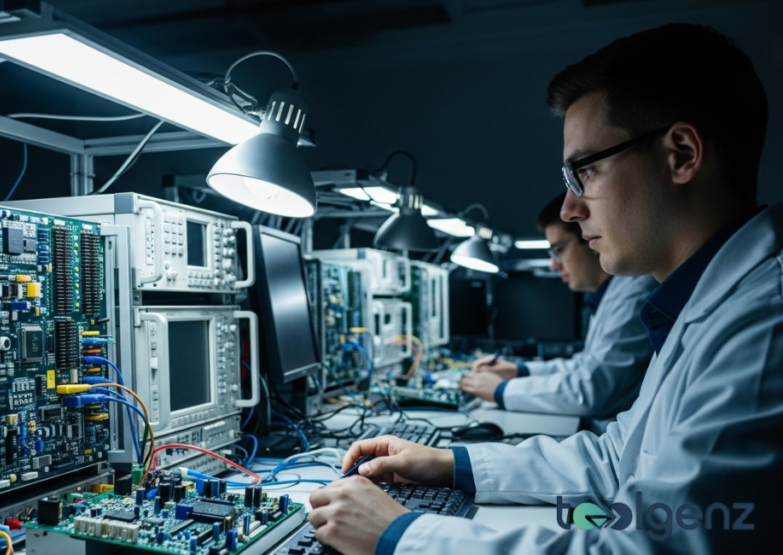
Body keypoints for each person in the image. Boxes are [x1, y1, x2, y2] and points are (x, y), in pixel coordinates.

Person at [309, 23, 781, 554]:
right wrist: (450, 463)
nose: (569, 209)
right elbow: (616, 458)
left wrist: (401, 534)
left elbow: (651, 546)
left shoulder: (764, 324)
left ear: (682, 155)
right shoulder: (708, 303)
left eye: (586, 171)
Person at [459, 194, 656, 432]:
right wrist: (519, 370)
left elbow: (592, 390)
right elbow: (585, 365)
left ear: (590, 237)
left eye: (558, 249)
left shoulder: (634, 294)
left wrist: (501, 391)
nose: (553, 265)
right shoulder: (611, 294)